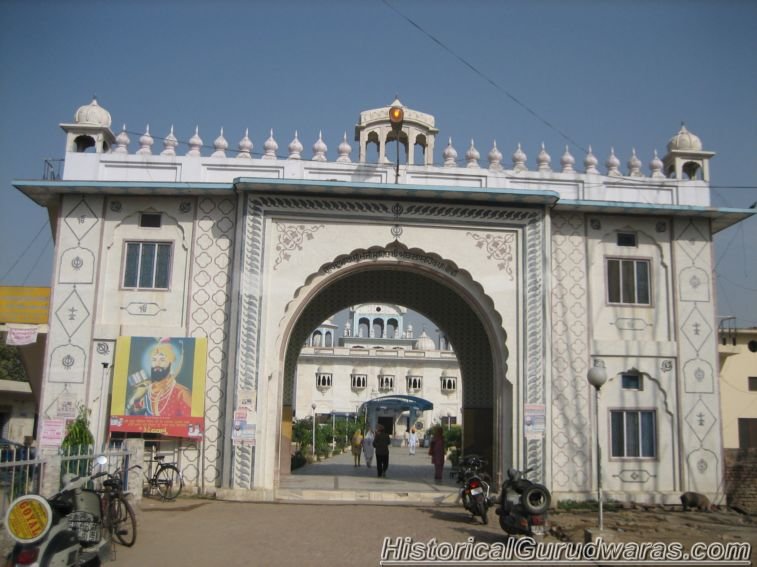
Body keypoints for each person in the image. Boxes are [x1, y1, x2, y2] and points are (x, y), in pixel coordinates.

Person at [127, 338, 191, 417]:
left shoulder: (181, 393)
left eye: (162, 359)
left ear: (170, 363)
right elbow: (132, 417)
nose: (157, 363)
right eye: (154, 359)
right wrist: (135, 398)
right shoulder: (146, 391)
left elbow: (189, 424)